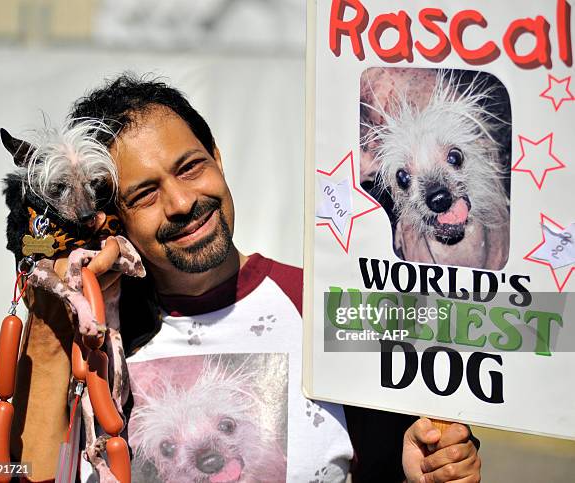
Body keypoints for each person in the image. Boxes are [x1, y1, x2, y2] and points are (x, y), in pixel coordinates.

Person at [60, 74, 480, 482]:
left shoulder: (322, 307)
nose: (182, 202)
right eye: (145, 194)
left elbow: (395, 462)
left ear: (217, 159)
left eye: (189, 168)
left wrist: (423, 470)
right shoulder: (94, 341)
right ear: (112, 217)